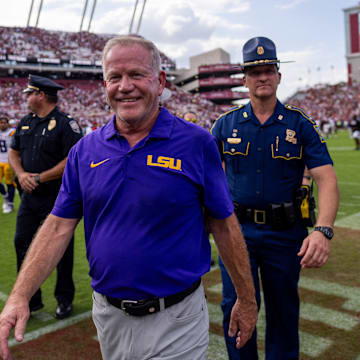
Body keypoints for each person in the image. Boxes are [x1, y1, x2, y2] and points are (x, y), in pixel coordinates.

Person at [0, 36, 258, 360]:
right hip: (109, 318)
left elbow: (224, 225)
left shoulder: (196, 143)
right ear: (104, 85)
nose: (125, 86)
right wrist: (20, 295)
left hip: (177, 318)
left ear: (160, 81)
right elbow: (58, 226)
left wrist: (247, 300)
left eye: (136, 75)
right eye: (115, 77)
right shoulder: (85, 151)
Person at [211, 36, 339, 360]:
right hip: (237, 233)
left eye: (268, 69)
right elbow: (205, 178)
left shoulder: (300, 124)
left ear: (279, 75)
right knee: (236, 309)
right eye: (255, 71)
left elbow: (326, 178)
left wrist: (323, 230)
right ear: (244, 79)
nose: (262, 76)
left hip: (285, 235)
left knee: (283, 314)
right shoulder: (225, 125)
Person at [7, 75, 83, 320]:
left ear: (41, 95)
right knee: (22, 244)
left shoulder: (65, 124)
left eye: (29, 93)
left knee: (61, 249)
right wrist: (21, 174)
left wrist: (40, 177)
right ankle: (30, 300)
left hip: (58, 198)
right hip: (29, 198)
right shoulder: (26, 122)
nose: (26, 98)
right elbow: (13, 151)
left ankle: (64, 299)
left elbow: (72, 160)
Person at [0, 116, 16, 214]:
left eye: (4, 122)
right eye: (1, 122)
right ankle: (6, 196)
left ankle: (10, 203)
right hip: (0, 161)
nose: (2, 124)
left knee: (9, 183)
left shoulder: (12, 132)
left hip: (9, 162)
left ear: (7, 123)